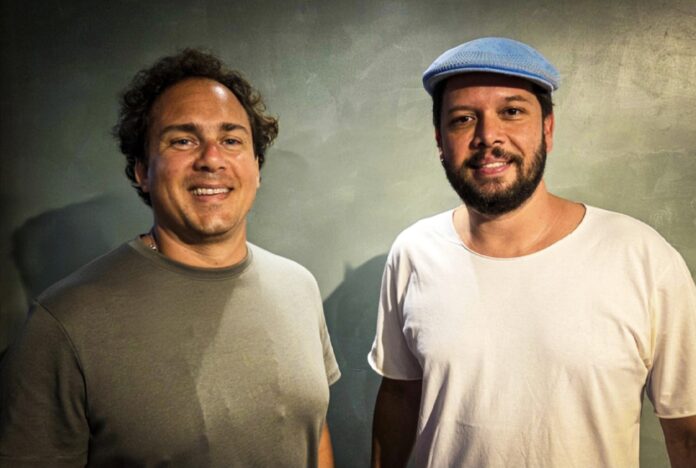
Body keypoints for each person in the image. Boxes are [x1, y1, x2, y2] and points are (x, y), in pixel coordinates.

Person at [0, 49, 340, 467]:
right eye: (183, 140)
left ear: (256, 167)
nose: (211, 159)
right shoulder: (64, 322)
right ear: (142, 170)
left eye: (231, 140)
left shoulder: (299, 287)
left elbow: (313, 435)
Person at [368, 37, 696, 467]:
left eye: (512, 112)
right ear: (440, 141)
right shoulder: (413, 252)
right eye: (463, 119)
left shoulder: (641, 257)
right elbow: (399, 396)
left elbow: (687, 431)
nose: (488, 136)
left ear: (548, 129)